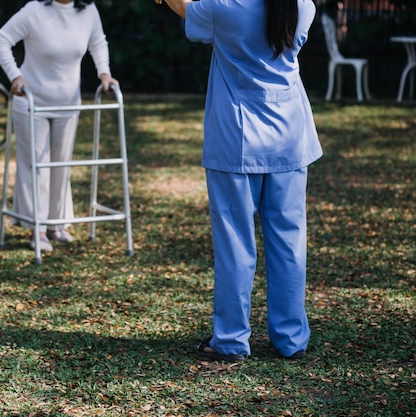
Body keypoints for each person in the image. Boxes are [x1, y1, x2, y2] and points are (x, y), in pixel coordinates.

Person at [154, 0, 323, 361]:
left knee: (234, 242)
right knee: (289, 243)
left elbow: (183, 7)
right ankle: (291, 340)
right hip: (290, 138)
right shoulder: (303, 6)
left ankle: (231, 340)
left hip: (238, 140)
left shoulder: (226, 9)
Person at [0, 0, 119, 252]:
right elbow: (1, 40)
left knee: (62, 163)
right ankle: (36, 228)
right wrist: (15, 77)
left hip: (68, 102)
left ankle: (55, 224)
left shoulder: (88, 11)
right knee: (35, 165)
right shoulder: (34, 11)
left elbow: (98, 43)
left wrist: (104, 73)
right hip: (31, 101)